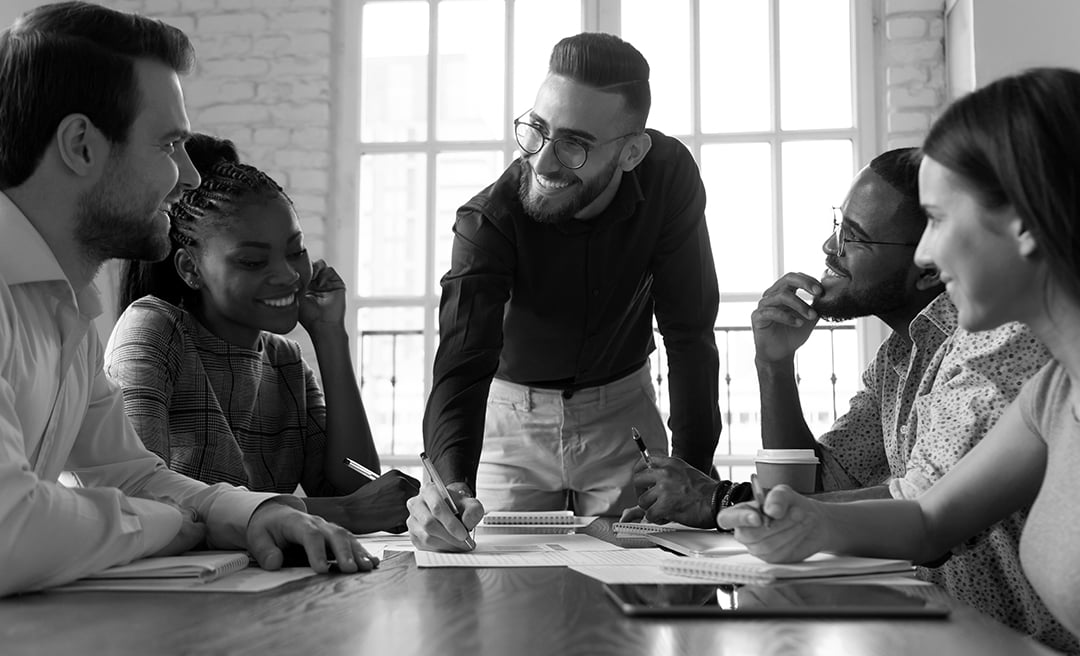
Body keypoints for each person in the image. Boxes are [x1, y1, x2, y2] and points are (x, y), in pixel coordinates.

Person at [628, 149, 1074, 651]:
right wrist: (773, 365)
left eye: (854, 237)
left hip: (1014, 638)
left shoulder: (1001, 342)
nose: (829, 246)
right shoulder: (905, 357)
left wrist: (722, 502)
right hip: (944, 633)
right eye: (840, 226)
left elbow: (921, 503)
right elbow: (838, 489)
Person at [0, 1, 373, 597]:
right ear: (81, 145)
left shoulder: (68, 307)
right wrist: (175, 524)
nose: (190, 176)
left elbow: (128, 473)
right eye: (168, 144)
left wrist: (253, 513)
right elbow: (8, 529)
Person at [719, 67, 1080, 646]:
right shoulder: (1052, 394)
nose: (928, 255)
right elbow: (928, 516)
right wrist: (807, 521)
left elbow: (916, 508)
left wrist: (747, 502)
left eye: (937, 220)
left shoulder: (1009, 351)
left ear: (1023, 224)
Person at [408, 32, 722, 551]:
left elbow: (689, 331)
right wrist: (449, 486)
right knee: (496, 592)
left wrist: (691, 468)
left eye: (574, 144)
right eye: (537, 129)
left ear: (630, 153)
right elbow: (463, 363)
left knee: (647, 582)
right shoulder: (487, 220)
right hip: (511, 421)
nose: (543, 162)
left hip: (624, 411)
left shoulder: (669, 176)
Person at [105, 133, 419, 534]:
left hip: (267, 588)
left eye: (296, 251)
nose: (289, 275)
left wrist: (329, 338)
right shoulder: (155, 331)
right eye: (252, 262)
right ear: (190, 269)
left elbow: (358, 487)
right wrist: (341, 514)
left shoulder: (286, 363)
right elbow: (143, 503)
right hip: (178, 590)